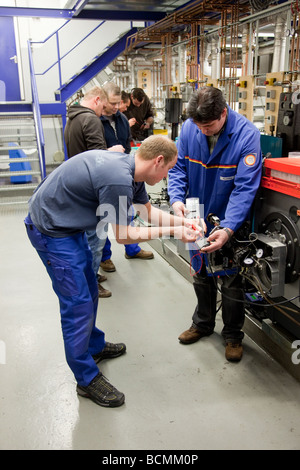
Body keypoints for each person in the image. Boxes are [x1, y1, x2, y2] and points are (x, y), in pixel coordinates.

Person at [24, 135, 201, 407]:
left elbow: (147, 212)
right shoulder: (118, 179)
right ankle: (85, 378)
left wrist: (183, 223)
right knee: (77, 303)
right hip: (50, 228)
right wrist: (175, 232)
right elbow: (125, 236)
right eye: (169, 169)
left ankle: (93, 347)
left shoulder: (133, 172)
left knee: (89, 290)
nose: (168, 176)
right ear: (158, 161)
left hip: (69, 225)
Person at [168, 86, 262, 362]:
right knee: (200, 272)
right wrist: (176, 201)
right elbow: (177, 168)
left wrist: (228, 227)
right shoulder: (188, 129)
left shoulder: (246, 136)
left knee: (231, 279)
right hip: (195, 213)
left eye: (207, 125)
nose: (202, 130)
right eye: (198, 125)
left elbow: (245, 189)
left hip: (228, 219)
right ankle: (203, 323)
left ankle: (233, 335)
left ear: (223, 113)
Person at [64, 86, 123, 298]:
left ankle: (91, 276)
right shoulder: (90, 119)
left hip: (79, 187)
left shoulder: (72, 118)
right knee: (95, 242)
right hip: (92, 191)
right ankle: (90, 284)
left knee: (89, 241)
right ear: (97, 100)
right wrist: (113, 151)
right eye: (104, 107)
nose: (103, 112)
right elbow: (98, 158)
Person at [100, 82, 154, 272]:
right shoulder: (94, 120)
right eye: (112, 103)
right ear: (102, 99)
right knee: (102, 218)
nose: (116, 107)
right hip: (102, 177)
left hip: (122, 172)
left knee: (127, 212)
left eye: (118, 104)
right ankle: (104, 257)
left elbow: (127, 145)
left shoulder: (122, 119)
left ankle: (132, 249)